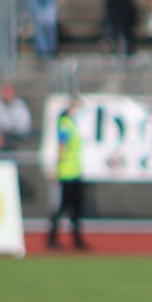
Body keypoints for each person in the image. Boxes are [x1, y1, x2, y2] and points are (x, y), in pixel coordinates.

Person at [48, 98, 88, 250]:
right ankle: (52, 238)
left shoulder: (71, 123)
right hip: (67, 172)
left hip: (74, 171)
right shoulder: (65, 123)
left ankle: (77, 240)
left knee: (76, 207)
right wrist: (56, 168)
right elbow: (62, 145)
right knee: (64, 207)